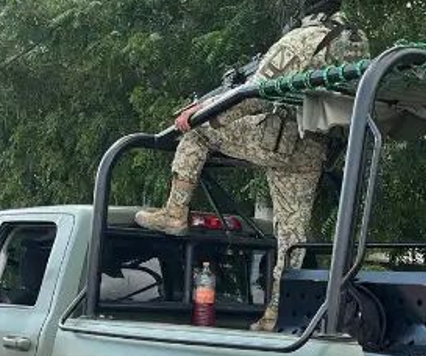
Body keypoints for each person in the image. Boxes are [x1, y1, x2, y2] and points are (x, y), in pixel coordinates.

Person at [135, 0, 368, 331]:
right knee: (291, 234)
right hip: (314, 149)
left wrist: (203, 115)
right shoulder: (356, 40)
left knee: (198, 134)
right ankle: (275, 315)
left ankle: (175, 213)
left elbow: (253, 93)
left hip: (279, 140)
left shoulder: (301, 40)